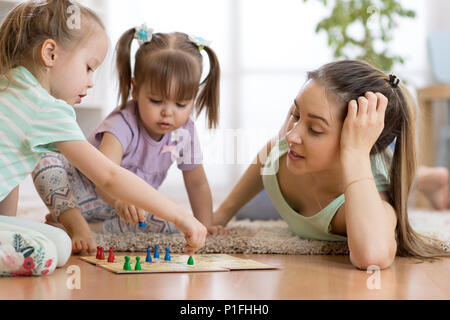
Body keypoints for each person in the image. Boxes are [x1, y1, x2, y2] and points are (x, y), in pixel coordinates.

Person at [0, 1, 206, 276]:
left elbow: (9, 174)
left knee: (60, 243)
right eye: (88, 67)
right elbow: (109, 176)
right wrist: (181, 216)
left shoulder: (11, 85)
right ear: (50, 53)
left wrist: (8, 226)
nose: (91, 81)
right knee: (44, 254)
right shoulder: (46, 107)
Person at [215, 60, 450, 270]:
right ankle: (428, 177)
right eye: (295, 114)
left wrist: (356, 153)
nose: (291, 136)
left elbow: (373, 256)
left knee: (391, 172)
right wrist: (223, 212)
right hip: (299, 179)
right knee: (247, 210)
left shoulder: (367, 203)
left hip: (356, 172)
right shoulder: (292, 140)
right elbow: (270, 153)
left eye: (316, 130)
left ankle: (426, 178)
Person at [32, 24, 224, 254]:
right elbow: (106, 176)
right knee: (45, 159)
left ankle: (96, 229)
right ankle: (73, 223)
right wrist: (119, 200)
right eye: (156, 101)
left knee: (173, 224)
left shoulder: (185, 133)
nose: (168, 112)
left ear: (194, 98)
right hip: (78, 195)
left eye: (181, 104)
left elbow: (197, 183)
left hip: (122, 211)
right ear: (135, 89)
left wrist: (204, 223)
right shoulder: (122, 124)